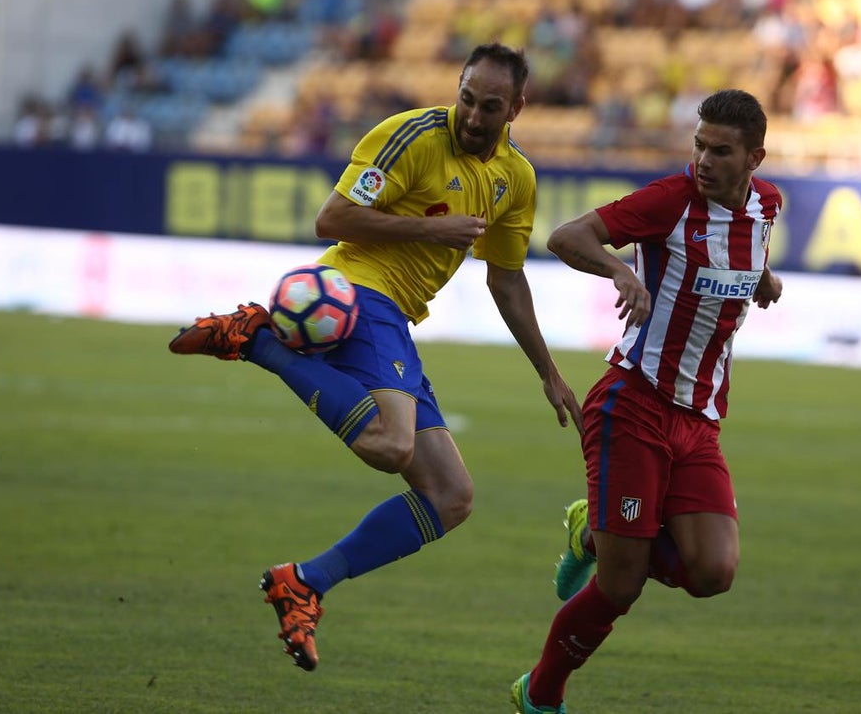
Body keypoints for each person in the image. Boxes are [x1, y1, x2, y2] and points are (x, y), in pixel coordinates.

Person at [168, 42, 583, 672]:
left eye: (490, 107)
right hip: (359, 292)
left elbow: (506, 279)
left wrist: (548, 373)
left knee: (451, 495)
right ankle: (258, 339)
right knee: (391, 444)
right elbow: (332, 217)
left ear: (516, 109)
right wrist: (431, 228)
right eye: (467, 99)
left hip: (396, 320)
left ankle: (304, 582)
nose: (473, 116)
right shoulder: (411, 136)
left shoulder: (515, 178)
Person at [510, 88, 784, 714]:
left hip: (700, 420)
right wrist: (621, 271)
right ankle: (540, 695)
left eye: (721, 151)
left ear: (754, 159)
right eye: (699, 145)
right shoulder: (669, 200)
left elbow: (745, 250)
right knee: (621, 585)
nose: (704, 160)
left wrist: (762, 278)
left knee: (713, 573)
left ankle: (596, 531)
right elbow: (566, 236)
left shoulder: (766, 204)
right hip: (633, 404)